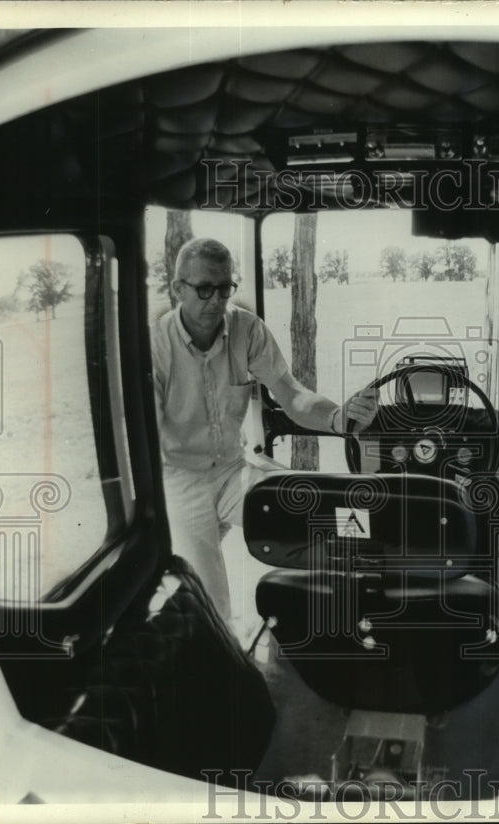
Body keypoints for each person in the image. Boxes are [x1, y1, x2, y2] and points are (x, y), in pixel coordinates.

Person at [150, 237, 378, 623]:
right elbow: (143, 432)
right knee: (211, 606)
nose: (216, 300)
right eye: (204, 289)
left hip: (231, 470)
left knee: (314, 515)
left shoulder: (247, 329)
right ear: (178, 289)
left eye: (225, 288)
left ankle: (325, 629)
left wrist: (339, 418)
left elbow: (291, 393)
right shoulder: (156, 345)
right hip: (178, 479)